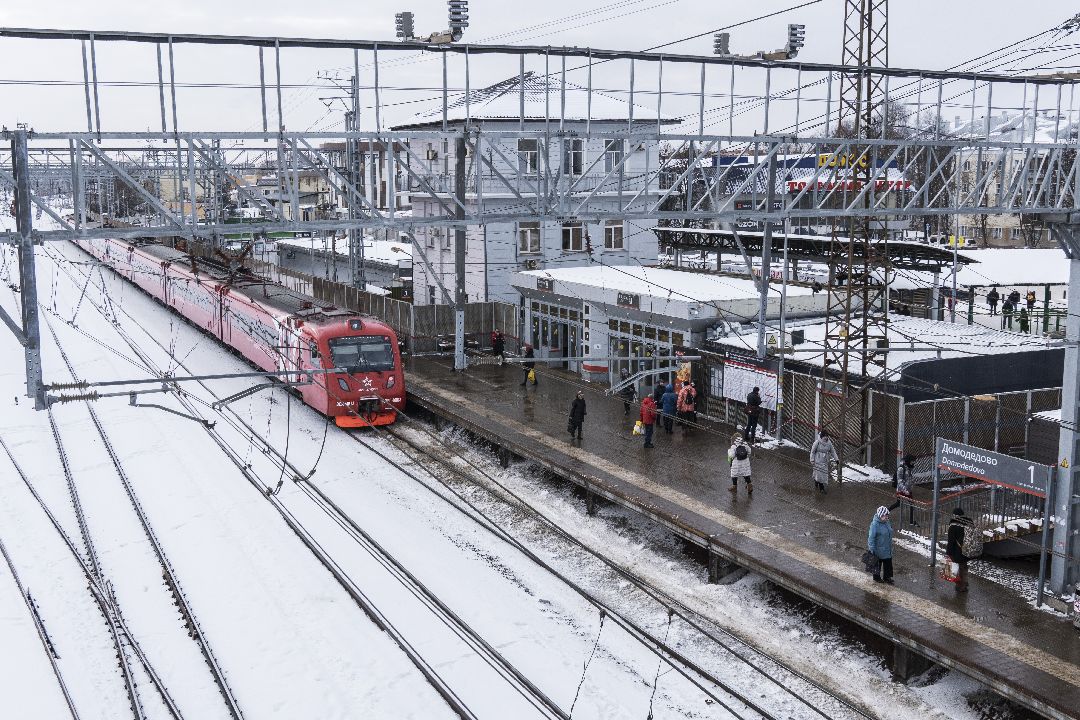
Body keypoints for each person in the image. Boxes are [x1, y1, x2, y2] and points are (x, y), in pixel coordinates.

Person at [946, 507, 974, 592]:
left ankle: (961, 586)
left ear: (955, 515)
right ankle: (965, 582)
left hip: (958, 551)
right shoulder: (969, 523)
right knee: (964, 566)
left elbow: (951, 542)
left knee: (958, 567)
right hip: (968, 549)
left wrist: (949, 553)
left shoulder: (953, 526)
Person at [867, 506, 895, 584]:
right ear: (880, 515)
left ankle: (887, 577)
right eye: (885, 515)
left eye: (887, 515)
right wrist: (871, 549)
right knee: (877, 564)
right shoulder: (875, 524)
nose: (887, 517)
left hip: (887, 547)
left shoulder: (887, 521)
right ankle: (876, 578)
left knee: (888, 563)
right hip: (878, 549)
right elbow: (871, 538)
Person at [889, 454, 918, 526]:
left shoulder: (909, 467)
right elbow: (900, 482)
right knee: (898, 503)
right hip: (901, 490)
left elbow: (908, 478)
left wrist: (910, 487)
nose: (913, 462)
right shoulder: (901, 469)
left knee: (911, 504)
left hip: (908, 490)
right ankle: (884, 512)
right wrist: (905, 490)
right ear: (908, 460)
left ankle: (911, 521)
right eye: (912, 461)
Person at [810, 429, 839, 494]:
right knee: (819, 473)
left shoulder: (829, 443)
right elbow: (812, 452)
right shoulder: (817, 442)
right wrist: (812, 460)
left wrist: (836, 459)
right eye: (824, 436)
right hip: (817, 460)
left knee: (823, 474)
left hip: (825, 461)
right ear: (822, 436)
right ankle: (822, 488)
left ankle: (817, 481)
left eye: (826, 436)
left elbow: (833, 451)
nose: (825, 437)